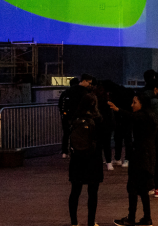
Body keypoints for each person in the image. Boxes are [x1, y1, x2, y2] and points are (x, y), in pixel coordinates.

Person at [113, 91, 158, 226]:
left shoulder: (143, 116)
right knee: (143, 189)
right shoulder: (150, 116)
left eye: (135, 102)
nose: (132, 105)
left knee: (133, 188)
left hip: (140, 157)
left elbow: (132, 116)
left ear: (142, 104)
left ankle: (131, 218)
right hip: (147, 156)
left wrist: (117, 109)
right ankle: (146, 218)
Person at [68, 92, 103, 226]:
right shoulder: (98, 119)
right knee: (92, 193)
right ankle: (90, 222)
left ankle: (74, 222)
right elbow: (103, 137)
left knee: (75, 191)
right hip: (93, 158)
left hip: (77, 158)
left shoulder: (75, 117)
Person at [93, 80, 116, 171]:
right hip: (106, 125)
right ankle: (109, 162)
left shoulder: (94, 100)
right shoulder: (107, 100)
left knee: (98, 145)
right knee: (107, 144)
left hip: (97, 124)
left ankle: (98, 162)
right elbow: (111, 114)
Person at [58, 77, 80, 158]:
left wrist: (63, 113)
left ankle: (64, 152)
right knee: (74, 134)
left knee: (66, 134)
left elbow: (60, 105)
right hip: (74, 116)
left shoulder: (65, 93)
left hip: (65, 116)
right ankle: (72, 150)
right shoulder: (77, 93)